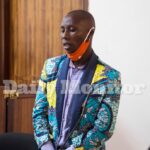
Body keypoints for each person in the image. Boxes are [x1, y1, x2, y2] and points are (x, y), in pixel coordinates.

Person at [32, 10, 121, 150]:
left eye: (72, 30)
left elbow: (104, 128)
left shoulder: (109, 77)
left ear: (89, 34)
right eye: (62, 30)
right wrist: (45, 144)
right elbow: (39, 112)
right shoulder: (50, 67)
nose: (65, 36)